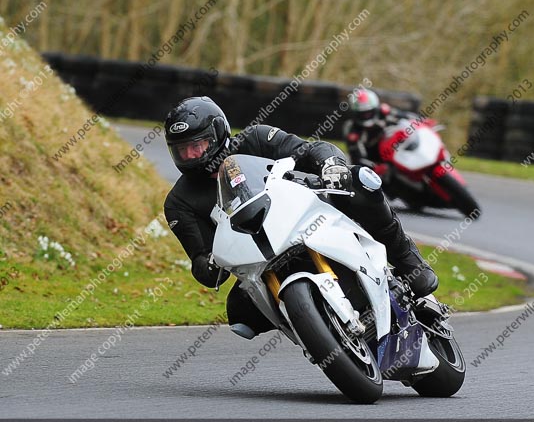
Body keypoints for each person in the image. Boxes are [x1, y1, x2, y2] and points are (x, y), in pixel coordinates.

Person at [163, 96, 438, 339]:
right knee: (240, 314)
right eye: (182, 149)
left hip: (306, 214)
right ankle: (318, 333)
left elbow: (309, 150)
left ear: (218, 133)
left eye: (198, 145)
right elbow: (200, 260)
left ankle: (408, 260)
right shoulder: (179, 203)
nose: (191, 155)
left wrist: (331, 165)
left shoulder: (256, 139)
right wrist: (211, 263)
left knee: (361, 181)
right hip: (261, 257)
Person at [343, 88, 418, 177]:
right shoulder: (353, 132)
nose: (366, 116)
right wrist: (375, 167)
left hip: (398, 148)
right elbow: (357, 159)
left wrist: (421, 121)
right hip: (376, 160)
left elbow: (406, 116)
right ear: (355, 113)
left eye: (369, 112)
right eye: (362, 113)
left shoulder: (384, 111)